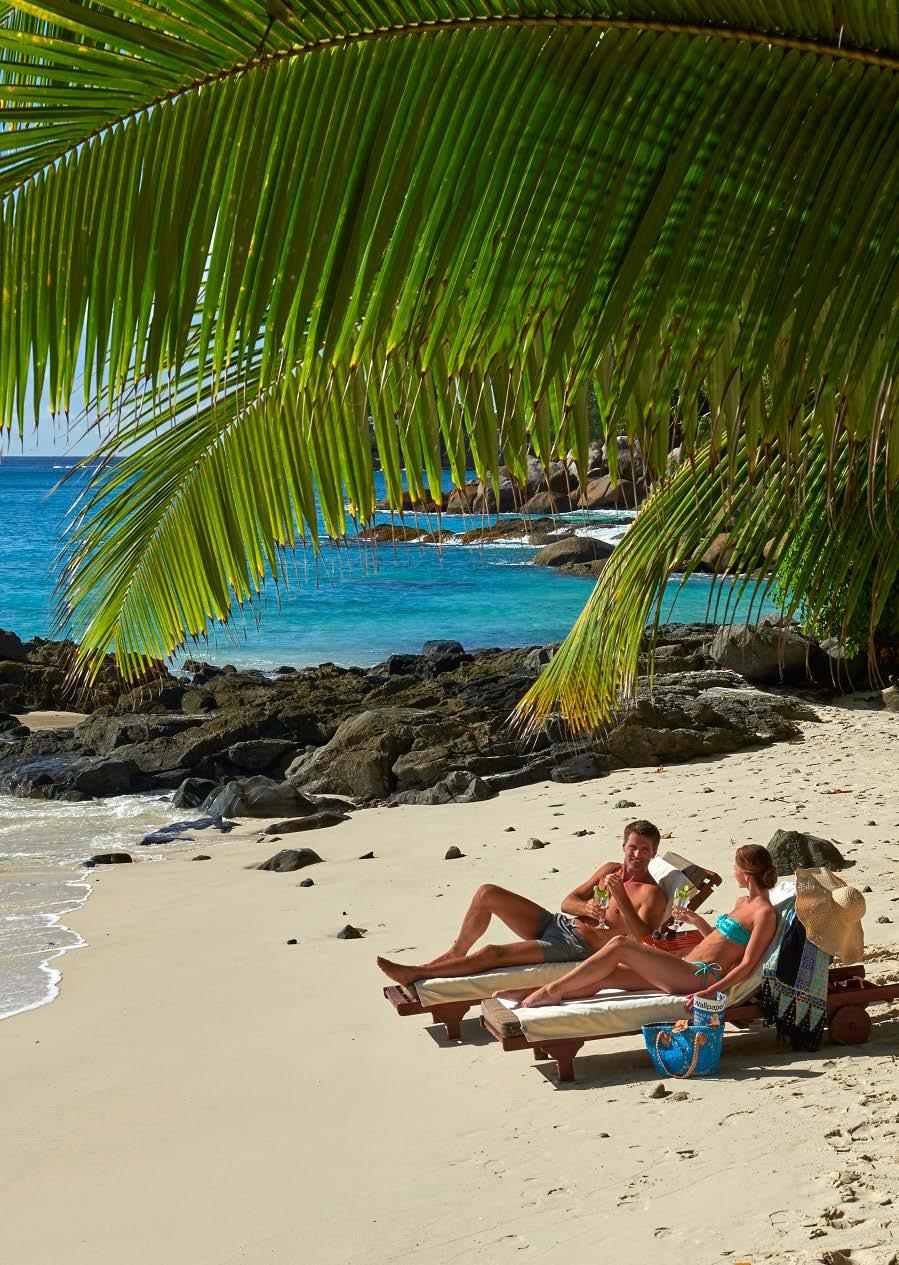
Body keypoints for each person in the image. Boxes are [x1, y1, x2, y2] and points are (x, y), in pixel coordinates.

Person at [376, 819, 669, 988]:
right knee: (487, 892)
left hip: (578, 946)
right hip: (559, 923)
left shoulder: (651, 894)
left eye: (645, 849)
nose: (637, 854)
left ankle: (418, 974)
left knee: (493, 952)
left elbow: (645, 940)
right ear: (623, 846)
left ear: (654, 853)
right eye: (633, 847)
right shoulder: (608, 870)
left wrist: (621, 900)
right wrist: (585, 908)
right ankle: (455, 952)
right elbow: (568, 901)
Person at [509, 843, 778, 1009]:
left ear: (746, 873)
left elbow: (747, 964)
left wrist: (710, 992)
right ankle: (534, 995)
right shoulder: (743, 901)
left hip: (699, 978)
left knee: (620, 945)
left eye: (735, 867)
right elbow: (719, 942)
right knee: (607, 976)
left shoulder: (763, 913)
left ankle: (550, 991)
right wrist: (697, 922)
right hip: (685, 965)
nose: (732, 871)